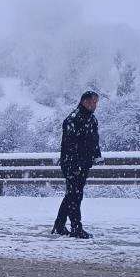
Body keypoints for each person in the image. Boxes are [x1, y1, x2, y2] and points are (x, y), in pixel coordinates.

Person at [52, 90, 102, 239]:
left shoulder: (91, 119)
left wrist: (96, 156)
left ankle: (60, 226)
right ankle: (76, 228)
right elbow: (69, 145)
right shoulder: (73, 119)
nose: (95, 105)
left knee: (72, 195)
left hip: (83, 164)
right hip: (72, 164)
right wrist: (74, 164)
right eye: (93, 102)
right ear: (84, 102)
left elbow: (94, 140)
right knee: (75, 195)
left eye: (96, 102)